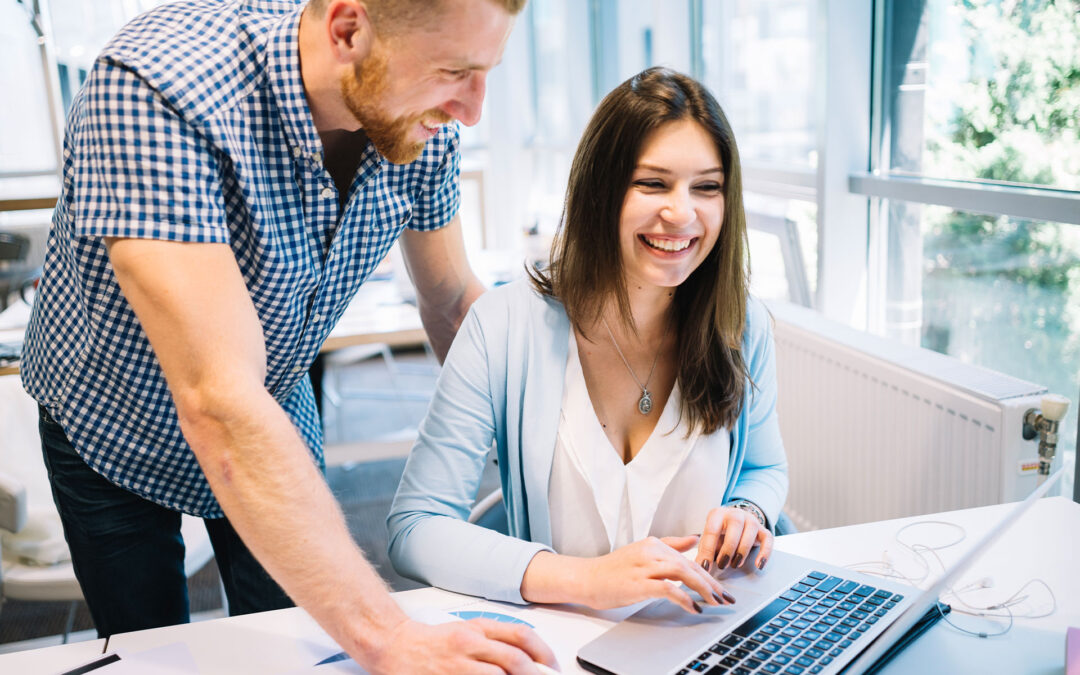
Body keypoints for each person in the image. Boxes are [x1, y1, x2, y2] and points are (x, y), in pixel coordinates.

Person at [21, 0, 558, 672]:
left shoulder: (423, 121)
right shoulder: (156, 88)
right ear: (348, 30)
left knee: (304, 638)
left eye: (485, 72)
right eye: (454, 71)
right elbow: (219, 399)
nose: (472, 110)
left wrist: (561, 461)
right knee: (149, 650)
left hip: (272, 390)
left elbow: (452, 302)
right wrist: (387, 634)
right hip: (112, 415)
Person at [388, 67, 789, 614]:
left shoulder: (740, 325)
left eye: (707, 187)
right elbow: (414, 527)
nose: (682, 213)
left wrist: (748, 511)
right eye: (652, 183)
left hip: (704, 636)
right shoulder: (502, 326)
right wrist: (584, 580)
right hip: (564, 642)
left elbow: (764, 469)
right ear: (600, 190)